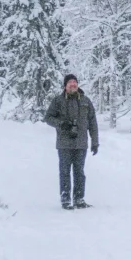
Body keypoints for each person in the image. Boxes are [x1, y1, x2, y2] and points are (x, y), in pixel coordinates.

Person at [44, 74, 99, 209]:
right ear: (65, 86)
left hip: (81, 144)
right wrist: (61, 124)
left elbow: (93, 123)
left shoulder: (86, 101)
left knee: (79, 172)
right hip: (64, 143)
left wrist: (95, 142)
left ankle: (79, 199)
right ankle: (66, 200)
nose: (73, 84)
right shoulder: (58, 101)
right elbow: (48, 117)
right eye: (70, 83)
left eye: (75, 82)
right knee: (65, 171)